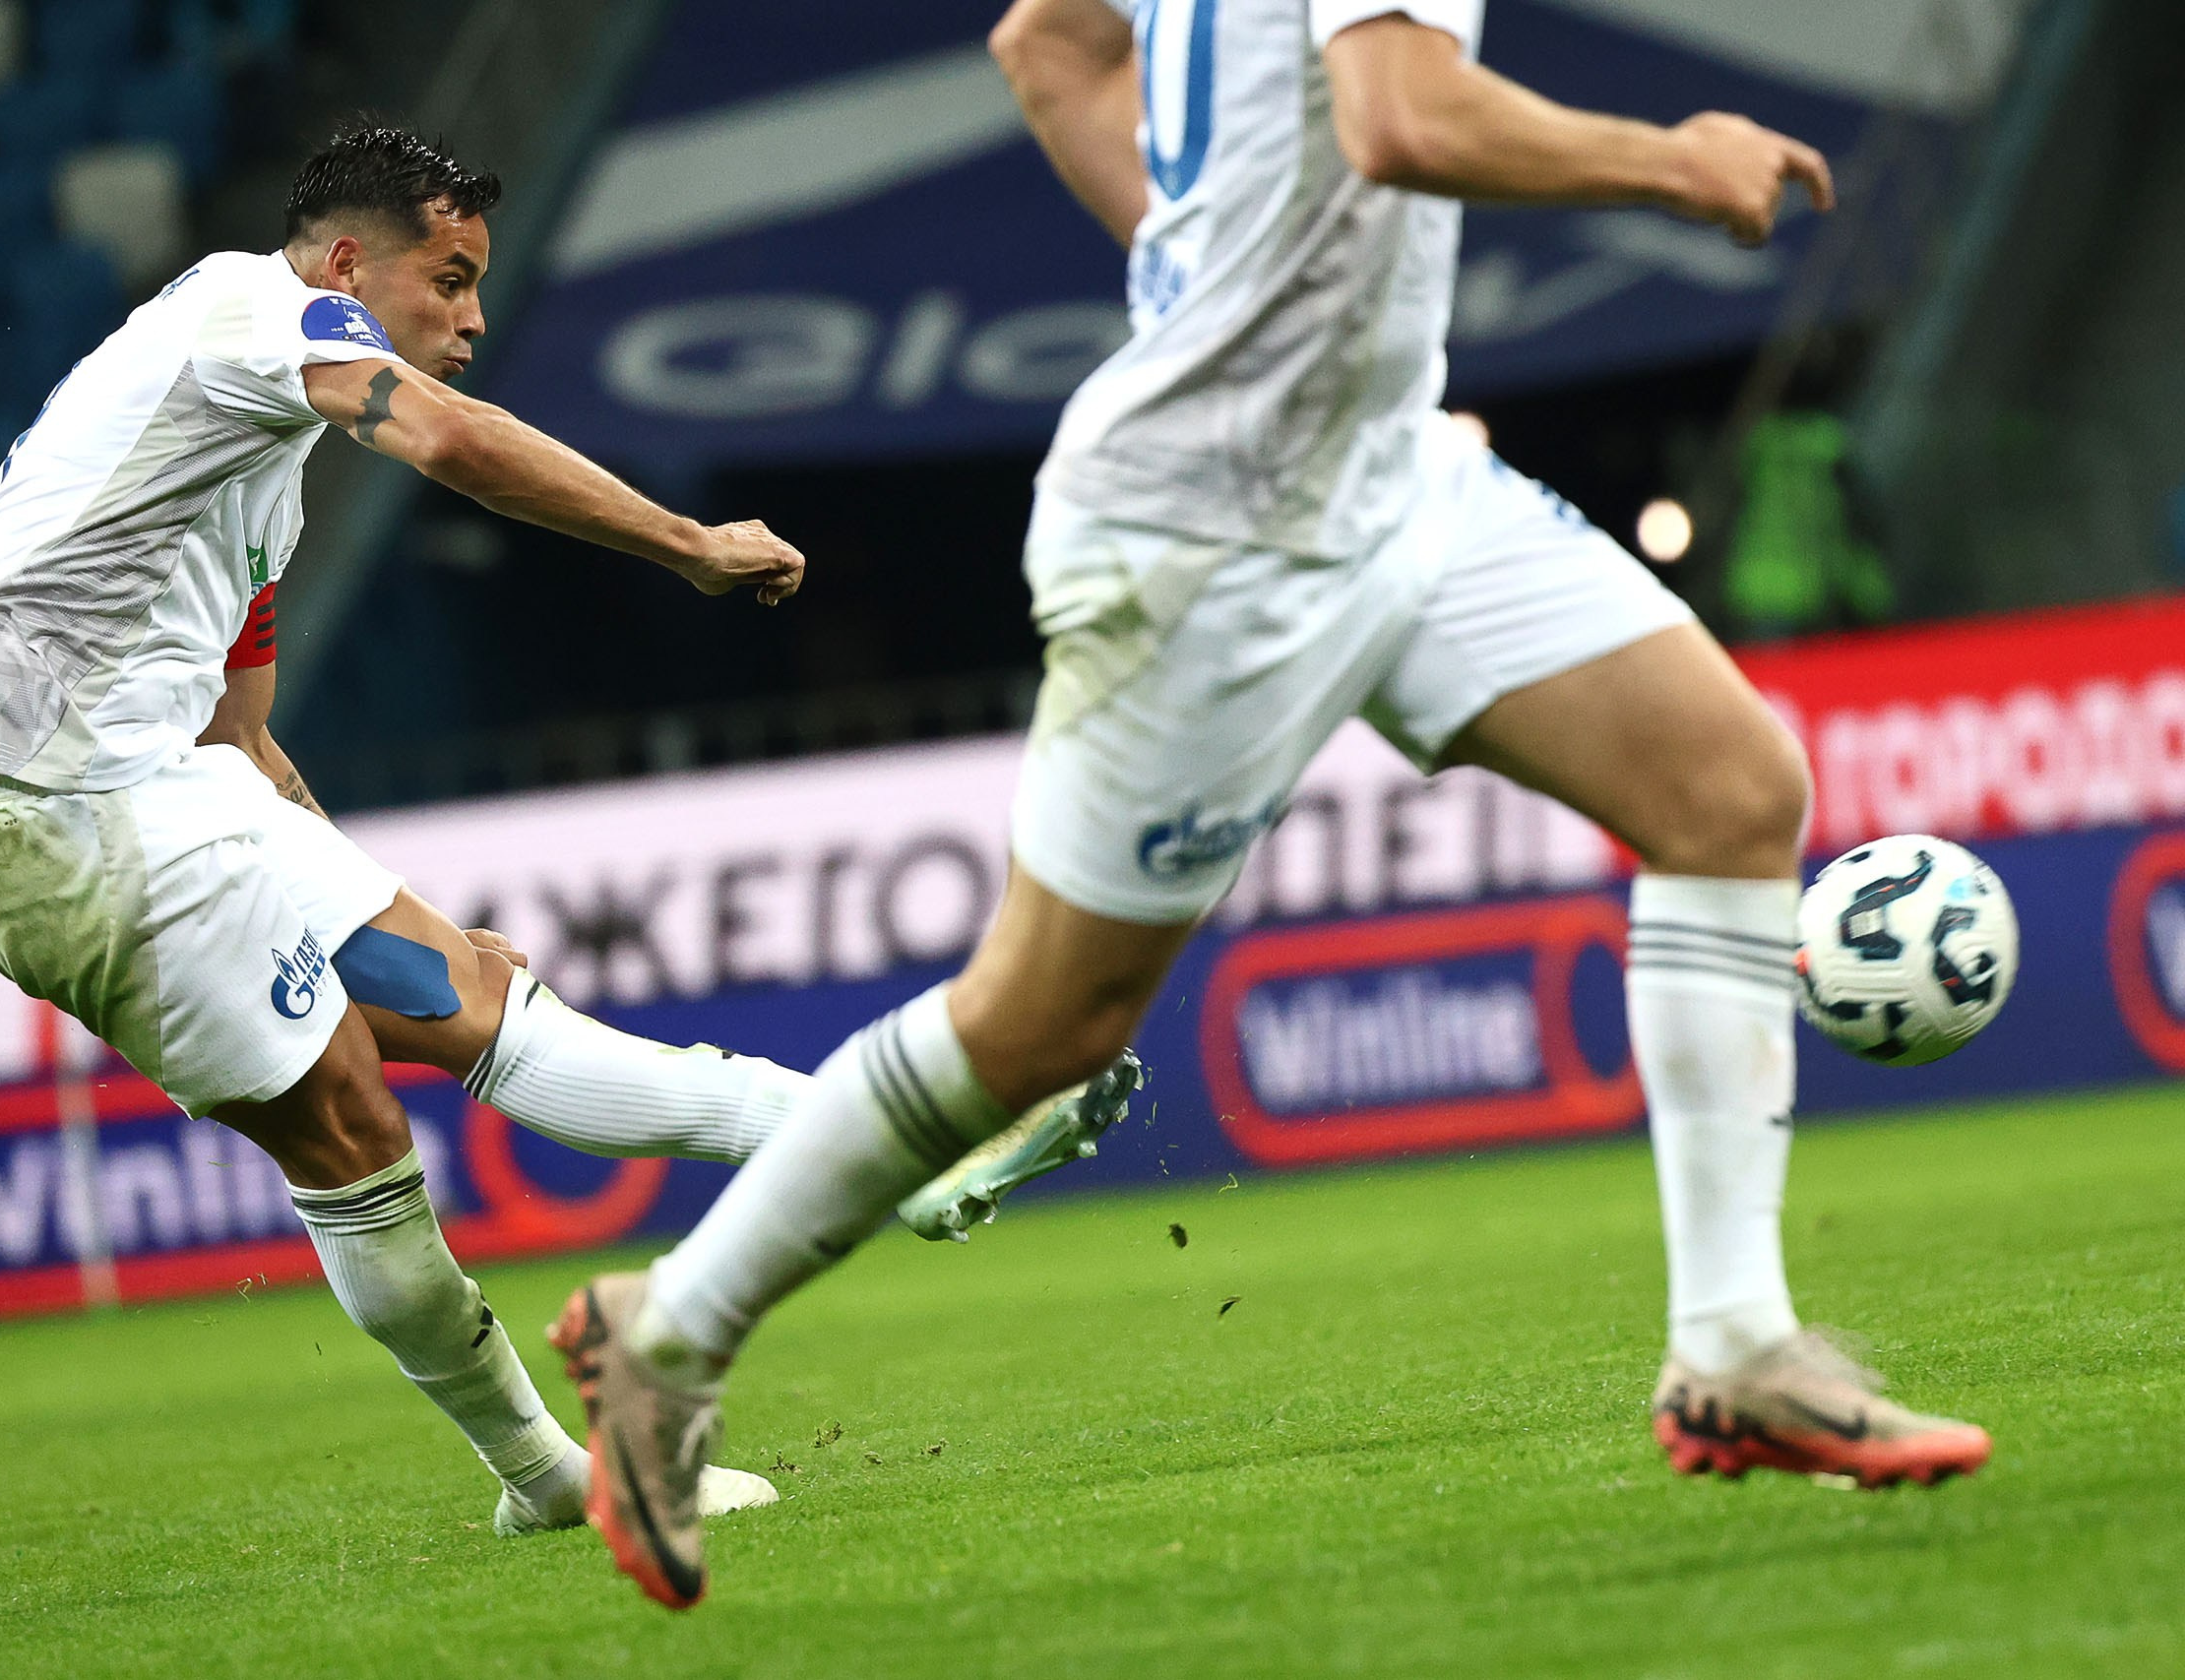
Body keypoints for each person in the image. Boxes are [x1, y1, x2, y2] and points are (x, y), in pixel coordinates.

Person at [550, 0, 1995, 1610]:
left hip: (1390, 477)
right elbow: (1401, 118)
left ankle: (1735, 1344)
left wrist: (1240, 296)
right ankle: (668, 1326)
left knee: (1731, 789)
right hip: (1213, 535)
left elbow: (1050, 46)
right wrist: (1676, 161)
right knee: (1037, 1025)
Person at [0, 126, 1135, 1541]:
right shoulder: (244, 312)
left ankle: (904, 1160)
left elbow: (238, 734)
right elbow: (448, 442)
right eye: (447, 279)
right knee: (354, 1127)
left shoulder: (253, 465)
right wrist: (685, 541)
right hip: (66, 817)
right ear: (341, 268)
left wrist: (371, 892)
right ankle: (553, 1469)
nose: (474, 318)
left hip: (155, 799)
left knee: (488, 1007)